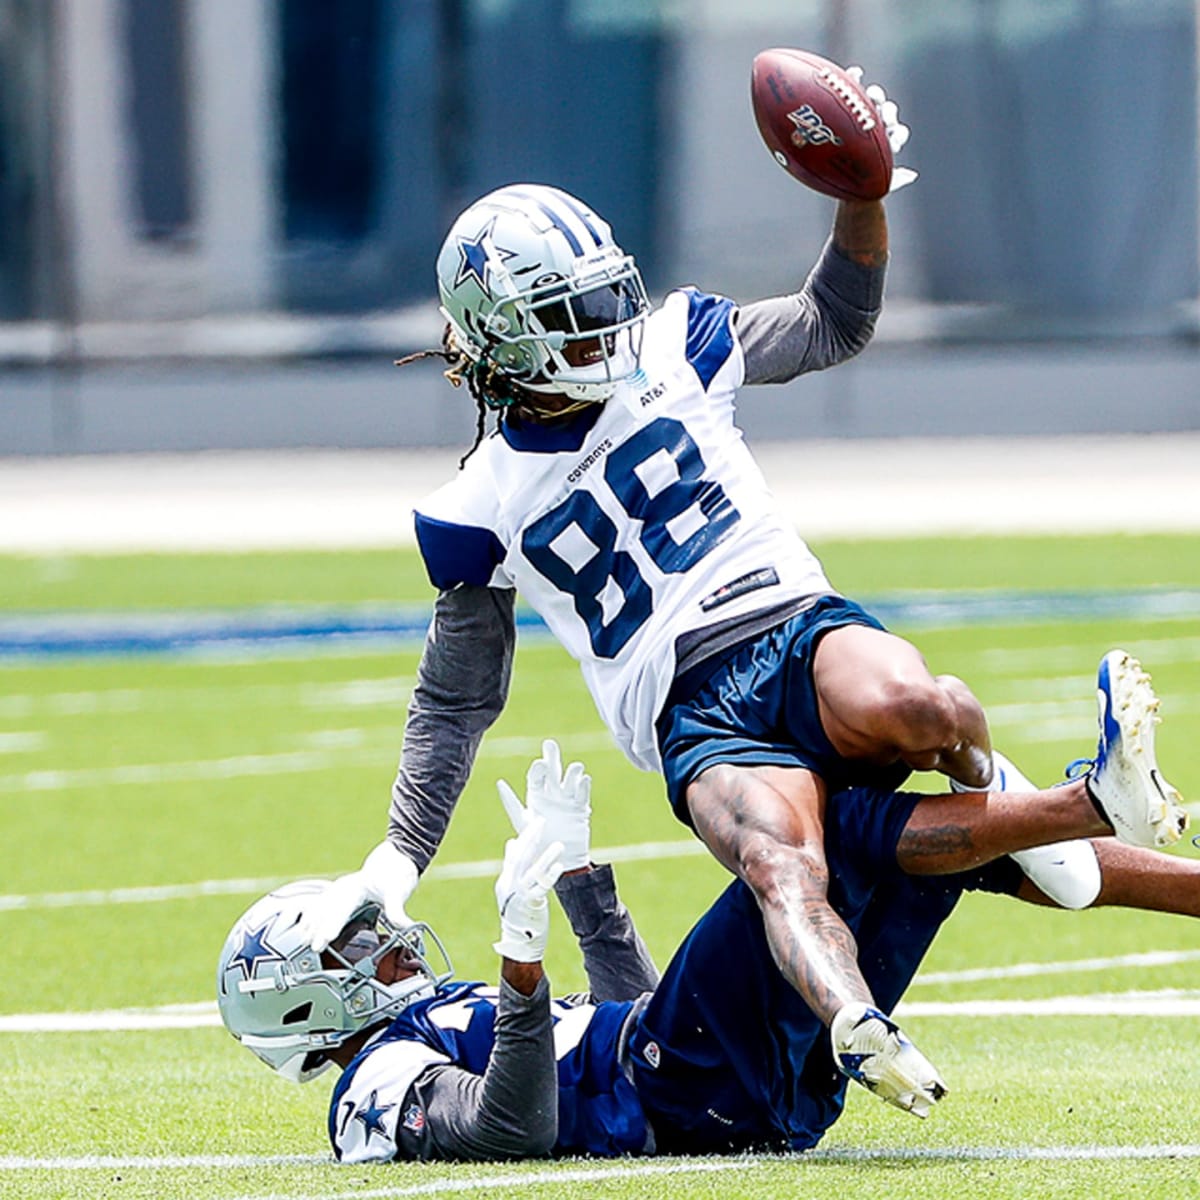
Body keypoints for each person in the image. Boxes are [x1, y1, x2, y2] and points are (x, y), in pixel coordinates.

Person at [298, 61, 1188, 1111]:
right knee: (783, 861)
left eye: (600, 297)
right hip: (692, 712)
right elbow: (455, 702)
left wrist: (861, 200)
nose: (603, 325)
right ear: (502, 339)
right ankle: (864, 1021)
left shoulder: (674, 344)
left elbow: (832, 321)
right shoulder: (473, 506)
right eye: (568, 313)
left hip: (791, 626)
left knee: (922, 706)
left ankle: (1023, 808)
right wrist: (397, 858)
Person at [221, 674, 1193, 1162]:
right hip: (687, 1089)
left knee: (931, 852)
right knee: (837, 821)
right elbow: (515, 1123)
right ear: (302, 1007)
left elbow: (621, 1022)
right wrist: (521, 962)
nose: (389, 945)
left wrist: (582, 884)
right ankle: (1089, 802)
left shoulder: (412, 1028)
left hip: (720, 1082)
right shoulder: (372, 1093)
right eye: (358, 950)